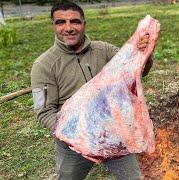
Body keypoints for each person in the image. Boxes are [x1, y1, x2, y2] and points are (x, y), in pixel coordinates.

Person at [31, 1, 153, 179]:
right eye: (61, 22)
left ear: (84, 24)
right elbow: (44, 112)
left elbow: (135, 70)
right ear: (53, 26)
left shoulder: (103, 50)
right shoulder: (43, 65)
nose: (69, 28)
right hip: (74, 145)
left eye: (75, 21)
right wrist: (73, 134)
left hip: (112, 134)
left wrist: (144, 53)